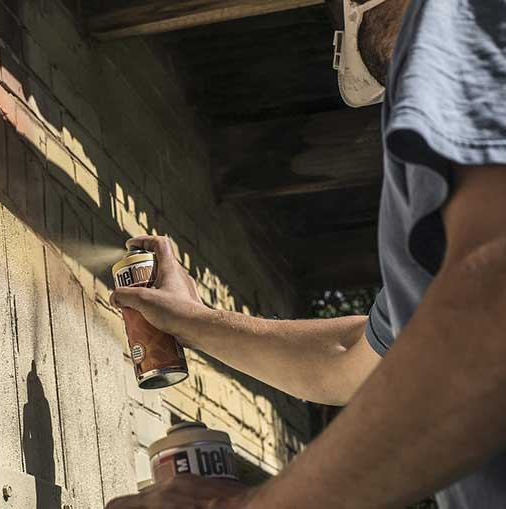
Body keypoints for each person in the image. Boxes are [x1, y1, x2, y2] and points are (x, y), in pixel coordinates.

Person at [106, 0, 506, 507]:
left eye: (333, 15)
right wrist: (192, 321)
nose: (336, 31)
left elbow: (488, 313)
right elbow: (350, 362)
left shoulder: (464, 15)